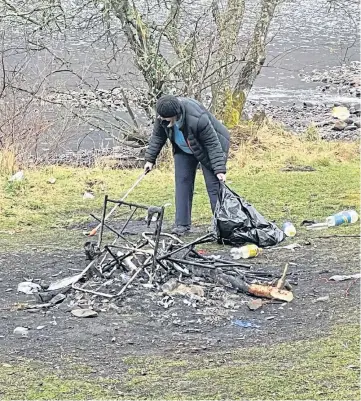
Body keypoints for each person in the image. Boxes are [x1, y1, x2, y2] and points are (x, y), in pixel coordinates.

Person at [144, 95, 230, 235]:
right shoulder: (163, 116)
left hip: (210, 149)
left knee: (214, 186)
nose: (161, 120)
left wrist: (219, 169)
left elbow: (212, 144)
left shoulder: (197, 118)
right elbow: (158, 137)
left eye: (165, 118)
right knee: (182, 182)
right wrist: (150, 160)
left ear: (175, 115)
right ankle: (181, 225)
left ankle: (221, 225)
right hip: (184, 149)